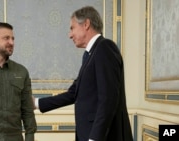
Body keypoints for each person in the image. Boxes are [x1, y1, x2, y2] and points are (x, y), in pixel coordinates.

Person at [33, 6, 133, 141]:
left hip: (102, 136)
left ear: (86, 24)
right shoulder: (90, 55)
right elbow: (73, 93)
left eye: (72, 28)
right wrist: (37, 103)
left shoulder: (105, 48)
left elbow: (108, 99)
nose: (70, 35)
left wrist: (94, 138)